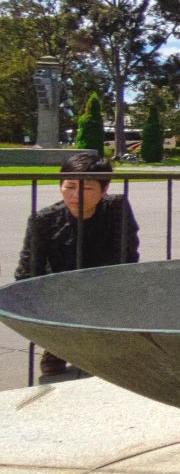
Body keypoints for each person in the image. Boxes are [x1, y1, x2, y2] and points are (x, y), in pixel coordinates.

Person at [15, 152, 140, 376]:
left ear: (104, 190)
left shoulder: (116, 208)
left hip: (105, 282)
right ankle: (57, 346)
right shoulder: (44, 220)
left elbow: (127, 254)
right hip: (61, 288)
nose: (76, 195)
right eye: (69, 186)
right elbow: (27, 269)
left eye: (87, 188)